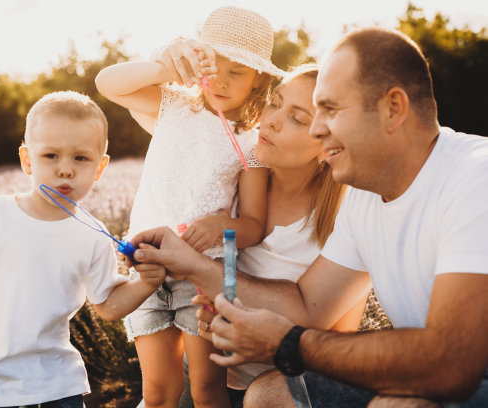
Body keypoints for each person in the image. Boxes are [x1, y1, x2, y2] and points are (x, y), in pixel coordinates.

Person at [127, 27, 488, 407]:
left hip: (470, 377)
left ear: (393, 109)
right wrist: (195, 266)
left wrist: (286, 342)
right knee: (263, 393)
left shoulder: (474, 176)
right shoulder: (363, 199)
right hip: (428, 372)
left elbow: (452, 364)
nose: (318, 129)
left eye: (328, 111)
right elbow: (307, 305)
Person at [0, 91, 166, 408]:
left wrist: (146, 283)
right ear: (27, 160)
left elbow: (107, 304)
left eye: (81, 158)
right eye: (51, 156)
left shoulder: (93, 236)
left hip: (57, 381)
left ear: (100, 167)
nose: (65, 169)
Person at [95, 6, 285, 408]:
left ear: (258, 81)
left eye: (239, 72)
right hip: (145, 263)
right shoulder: (173, 104)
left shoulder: (251, 142)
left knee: (206, 388)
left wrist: (223, 227)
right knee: (158, 392)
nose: (222, 79)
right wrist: (166, 65)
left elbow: (253, 224)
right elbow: (107, 83)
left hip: (206, 274)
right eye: (216, 65)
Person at [189, 64, 369, 408]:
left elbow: (334, 342)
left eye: (298, 119)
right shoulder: (233, 188)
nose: (270, 120)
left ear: (331, 145)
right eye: (274, 102)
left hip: (292, 387)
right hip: (217, 379)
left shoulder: (348, 214)